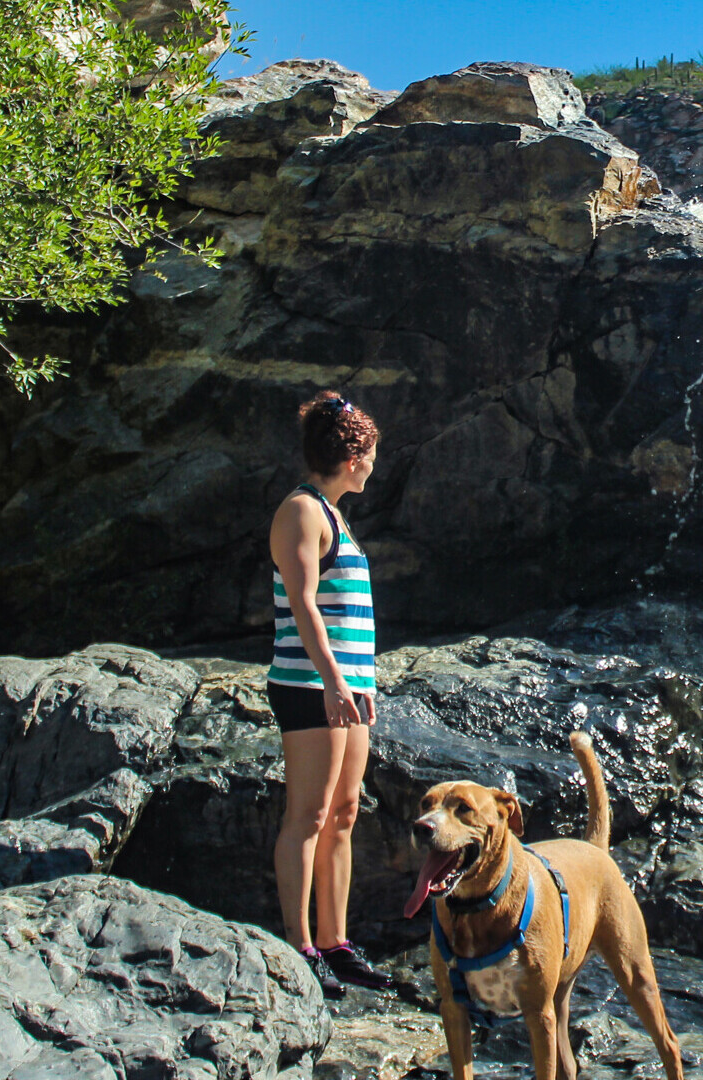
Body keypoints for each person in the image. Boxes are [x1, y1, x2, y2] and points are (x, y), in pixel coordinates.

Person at [268, 390, 393, 997]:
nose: (374, 464)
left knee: (344, 815)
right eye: (371, 453)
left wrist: (357, 683)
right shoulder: (302, 512)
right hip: (310, 685)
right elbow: (303, 604)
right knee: (309, 816)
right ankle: (299, 947)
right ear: (352, 455)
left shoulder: (336, 515)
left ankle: (336, 943)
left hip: (349, 689)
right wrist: (334, 681)